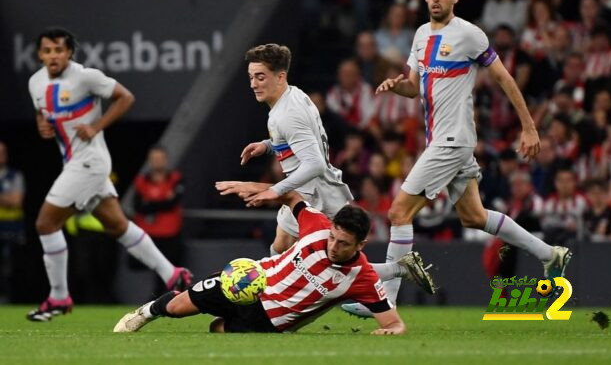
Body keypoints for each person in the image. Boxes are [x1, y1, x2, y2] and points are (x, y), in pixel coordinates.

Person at [342, 0, 571, 318]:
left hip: (452, 141)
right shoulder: (420, 35)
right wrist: (395, 85)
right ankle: (548, 254)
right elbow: (412, 87)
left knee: (398, 212)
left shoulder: (469, 35)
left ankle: (383, 303)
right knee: (474, 216)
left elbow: (505, 79)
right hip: (445, 140)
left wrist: (529, 127)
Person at [26, 27, 192, 321]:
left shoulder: (85, 76)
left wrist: (96, 126)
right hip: (75, 162)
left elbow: (125, 97)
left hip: (89, 162)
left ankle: (59, 297)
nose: (53, 56)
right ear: (40, 54)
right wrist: (43, 125)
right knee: (118, 226)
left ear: (69, 53)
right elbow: (44, 113)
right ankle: (173, 274)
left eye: (59, 50)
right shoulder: (35, 83)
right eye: (48, 51)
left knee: (45, 223)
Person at [114, 189, 432, 335]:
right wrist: (265, 192)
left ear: (361, 244)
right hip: (251, 277)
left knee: (218, 329)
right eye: (333, 237)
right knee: (178, 307)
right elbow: (294, 197)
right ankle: (143, 314)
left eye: (343, 244)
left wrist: (394, 330)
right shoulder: (317, 225)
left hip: (268, 320)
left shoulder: (362, 277)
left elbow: (393, 322)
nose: (333, 246)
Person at [227, 44, 353, 255]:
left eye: (260, 77)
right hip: (306, 191)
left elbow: (315, 164)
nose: (253, 84)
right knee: (279, 251)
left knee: (328, 268)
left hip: (315, 196)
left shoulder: (287, 114)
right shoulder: (293, 95)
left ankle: (397, 269)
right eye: (251, 77)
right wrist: (267, 145)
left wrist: (275, 190)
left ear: (280, 77)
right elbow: (302, 138)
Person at [133, 144, 186, 295]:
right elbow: (138, 207)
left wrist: (150, 203)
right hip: (149, 232)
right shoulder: (141, 180)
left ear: (166, 160)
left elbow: (172, 203)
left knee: (173, 267)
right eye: (153, 159)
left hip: (171, 232)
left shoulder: (176, 178)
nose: (156, 162)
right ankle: (157, 299)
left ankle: (176, 299)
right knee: (155, 268)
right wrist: (163, 201)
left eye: (159, 159)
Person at [0, 141, 25, 301]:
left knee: (8, 269)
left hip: (10, 229)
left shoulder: (14, 175)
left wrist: (9, 199)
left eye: (3, 152)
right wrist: (5, 198)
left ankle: (7, 301)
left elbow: (16, 201)